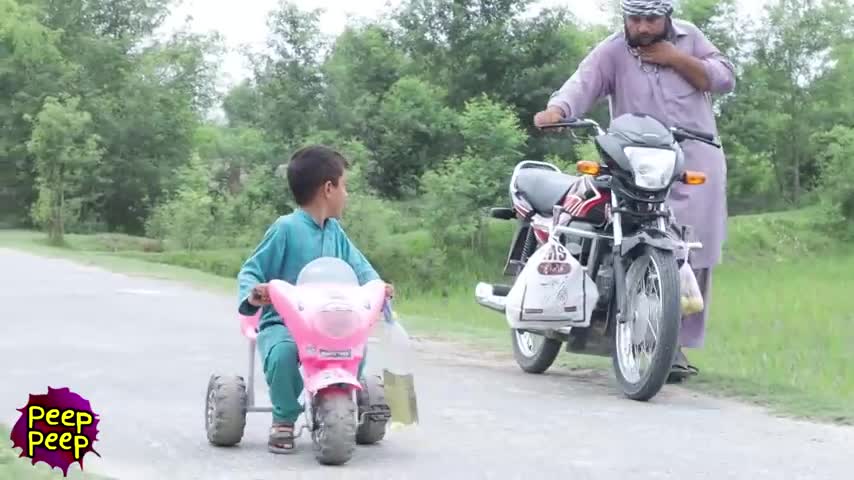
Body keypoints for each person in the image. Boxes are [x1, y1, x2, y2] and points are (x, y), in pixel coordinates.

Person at [534, 0, 735, 382]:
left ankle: (671, 343)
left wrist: (675, 58)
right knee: (631, 237)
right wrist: (557, 110)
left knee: (691, 248)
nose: (642, 27)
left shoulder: (691, 38)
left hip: (694, 159)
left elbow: (724, 78)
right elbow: (582, 83)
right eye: (635, 19)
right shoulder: (613, 50)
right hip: (636, 161)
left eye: (651, 20)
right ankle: (625, 327)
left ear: (667, 18)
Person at [236, 145, 394, 453]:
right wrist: (256, 293)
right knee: (282, 355)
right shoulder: (285, 229)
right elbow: (251, 270)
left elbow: (362, 269)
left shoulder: (336, 233)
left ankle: (346, 404)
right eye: (344, 186)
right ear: (328, 188)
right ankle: (283, 418)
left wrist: (378, 287)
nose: (347, 194)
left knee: (356, 352)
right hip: (286, 323)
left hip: (332, 321)